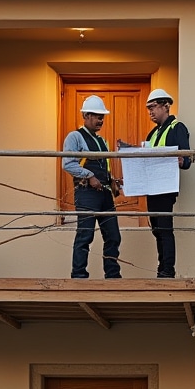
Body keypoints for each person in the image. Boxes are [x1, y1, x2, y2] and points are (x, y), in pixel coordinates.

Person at [62, 95, 122, 278]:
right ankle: (79, 276)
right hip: (86, 193)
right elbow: (68, 164)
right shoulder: (75, 137)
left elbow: (105, 166)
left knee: (113, 236)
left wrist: (112, 182)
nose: (100, 120)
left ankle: (112, 276)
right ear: (86, 116)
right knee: (85, 235)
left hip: (104, 194)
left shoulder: (102, 141)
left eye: (102, 117)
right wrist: (89, 176)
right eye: (97, 116)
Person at [140, 89, 190, 278]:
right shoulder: (152, 134)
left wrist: (181, 161)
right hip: (152, 188)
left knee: (164, 228)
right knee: (157, 229)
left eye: (153, 107)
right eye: (148, 108)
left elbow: (187, 158)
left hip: (165, 188)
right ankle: (162, 268)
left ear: (165, 106)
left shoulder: (177, 128)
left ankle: (168, 270)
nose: (150, 112)